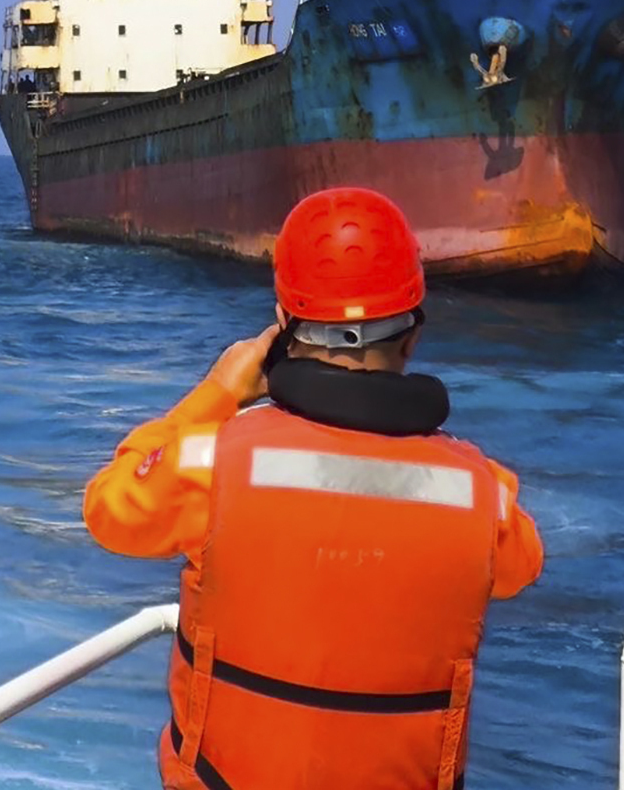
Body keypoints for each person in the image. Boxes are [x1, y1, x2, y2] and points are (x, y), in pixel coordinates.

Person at [83, 187, 543, 790]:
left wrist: (219, 393)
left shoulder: (211, 464)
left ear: (282, 330)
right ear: (412, 336)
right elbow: (520, 567)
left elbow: (109, 508)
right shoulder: (485, 497)